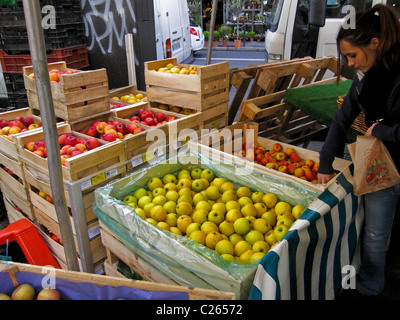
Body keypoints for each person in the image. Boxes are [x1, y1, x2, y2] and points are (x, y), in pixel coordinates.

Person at [317, 4, 400, 298]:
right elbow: (343, 119)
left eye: (353, 55)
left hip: (392, 153)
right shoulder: (365, 77)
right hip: (379, 161)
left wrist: (381, 130)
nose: (350, 63)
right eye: (346, 57)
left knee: (381, 231)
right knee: (375, 231)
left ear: (374, 44)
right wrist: (325, 163)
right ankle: (370, 285)